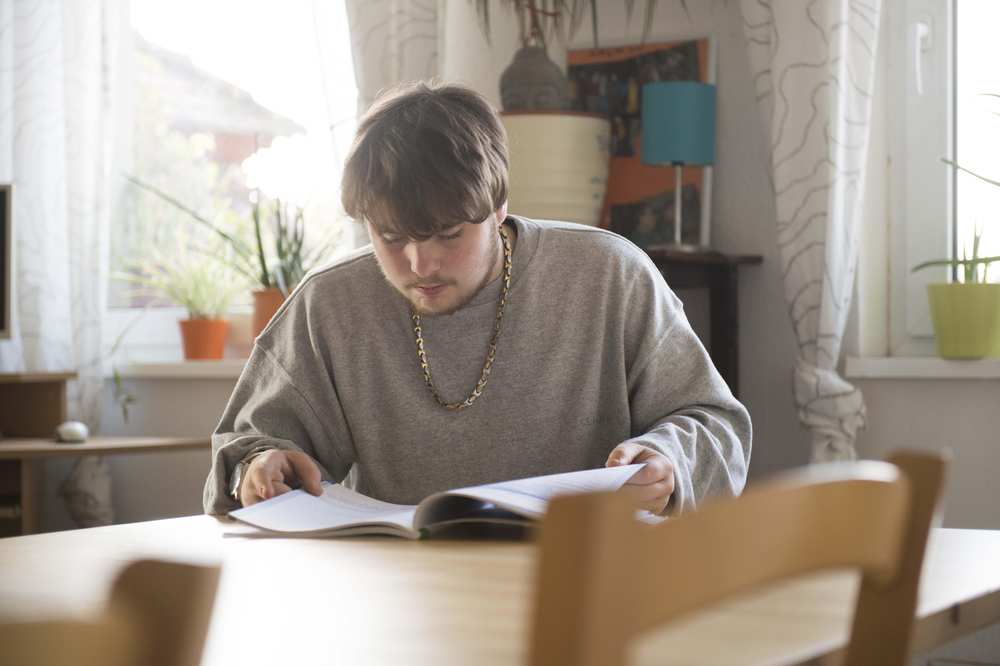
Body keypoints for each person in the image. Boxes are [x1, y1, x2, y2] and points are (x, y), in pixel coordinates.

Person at [203, 81, 751, 517]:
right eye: (391, 238)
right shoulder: (330, 304)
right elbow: (244, 448)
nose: (420, 265)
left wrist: (669, 460)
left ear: (497, 207)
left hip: (586, 580)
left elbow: (717, 424)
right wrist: (258, 466)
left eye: (447, 234)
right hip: (394, 590)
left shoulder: (609, 275)